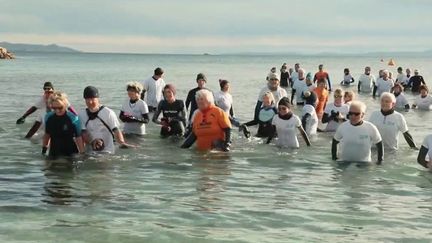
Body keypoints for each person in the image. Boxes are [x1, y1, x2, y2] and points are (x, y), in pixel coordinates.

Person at [79, 86, 133, 154]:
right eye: (87, 99)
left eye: (93, 99)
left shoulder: (108, 112)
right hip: (90, 152)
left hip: (107, 151)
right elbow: (83, 133)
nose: (90, 102)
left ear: (98, 99)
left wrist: (122, 142)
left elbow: (116, 130)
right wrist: (92, 142)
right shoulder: (82, 114)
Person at [42, 91, 84, 158]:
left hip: (70, 154)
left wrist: (82, 154)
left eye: (60, 108)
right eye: (54, 108)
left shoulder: (73, 118)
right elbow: (47, 135)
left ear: (65, 105)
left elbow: (78, 137)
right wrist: (44, 150)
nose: (57, 111)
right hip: (54, 152)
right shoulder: (48, 117)